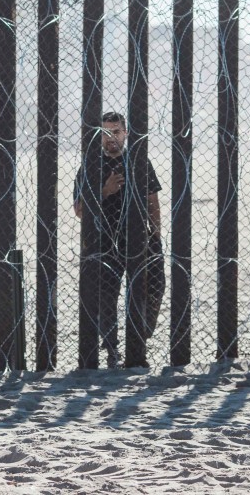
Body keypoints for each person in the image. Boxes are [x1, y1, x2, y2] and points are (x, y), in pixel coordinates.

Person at [74, 111, 164, 369]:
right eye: (105, 133)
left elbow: (152, 202)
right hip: (104, 239)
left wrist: (156, 235)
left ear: (125, 133)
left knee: (153, 288)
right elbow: (79, 210)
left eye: (115, 132)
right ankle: (112, 348)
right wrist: (105, 190)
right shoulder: (91, 164)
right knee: (106, 297)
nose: (110, 138)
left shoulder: (138, 161)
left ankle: (139, 339)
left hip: (136, 238)